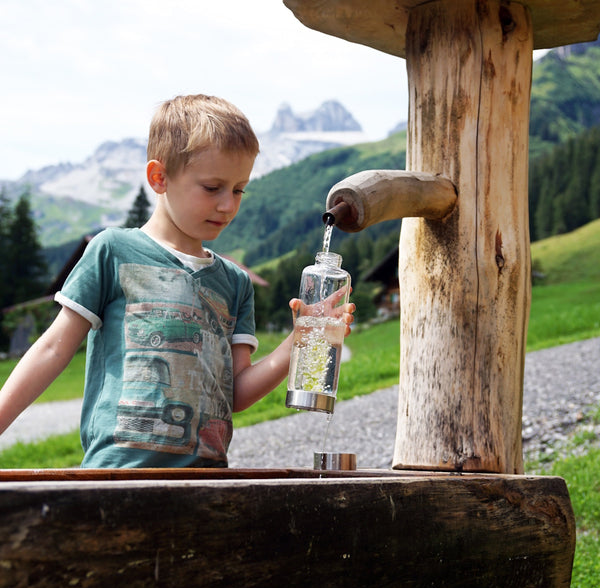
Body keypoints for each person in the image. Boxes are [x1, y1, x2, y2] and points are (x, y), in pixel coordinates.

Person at [0, 94, 355, 468]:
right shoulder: (114, 250)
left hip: (206, 483)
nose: (228, 206)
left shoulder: (234, 282)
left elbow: (233, 395)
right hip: (117, 477)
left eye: (238, 190)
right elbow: (53, 349)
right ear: (159, 177)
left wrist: (298, 341)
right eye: (212, 187)